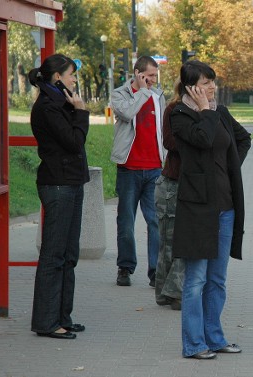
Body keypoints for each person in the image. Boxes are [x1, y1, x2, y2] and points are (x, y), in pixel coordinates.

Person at [170, 60, 251, 359]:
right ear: (191, 87)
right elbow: (202, 139)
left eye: (212, 82)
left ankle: (214, 338)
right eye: (205, 83)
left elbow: (243, 139)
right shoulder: (179, 115)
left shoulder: (220, 112)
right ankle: (193, 343)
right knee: (196, 280)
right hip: (198, 208)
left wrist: (231, 168)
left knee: (217, 279)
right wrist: (205, 110)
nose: (211, 88)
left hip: (226, 206)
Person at [28, 54, 89, 339]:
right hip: (58, 184)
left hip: (71, 182)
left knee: (68, 254)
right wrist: (81, 112)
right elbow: (74, 142)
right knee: (54, 254)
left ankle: (62, 316)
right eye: (71, 75)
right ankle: (47, 321)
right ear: (57, 78)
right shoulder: (48, 107)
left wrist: (75, 109)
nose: (75, 80)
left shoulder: (60, 102)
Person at [110, 56, 165, 287]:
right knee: (126, 221)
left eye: (155, 75)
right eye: (149, 76)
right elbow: (127, 113)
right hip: (129, 168)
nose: (153, 80)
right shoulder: (120, 94)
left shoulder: (158, 95)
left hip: (154, 168)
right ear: (137, 73)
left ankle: (156, 271)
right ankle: (125, 267)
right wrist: (142, 91)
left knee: (155, 222)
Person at [154, 81, 184, 310]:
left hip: (193, 185)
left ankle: (172, 291)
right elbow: (169, 141)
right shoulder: (173, 109)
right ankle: (166, 292)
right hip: (172, 183)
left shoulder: (211, 109)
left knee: (181, 242)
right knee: (169, 241)